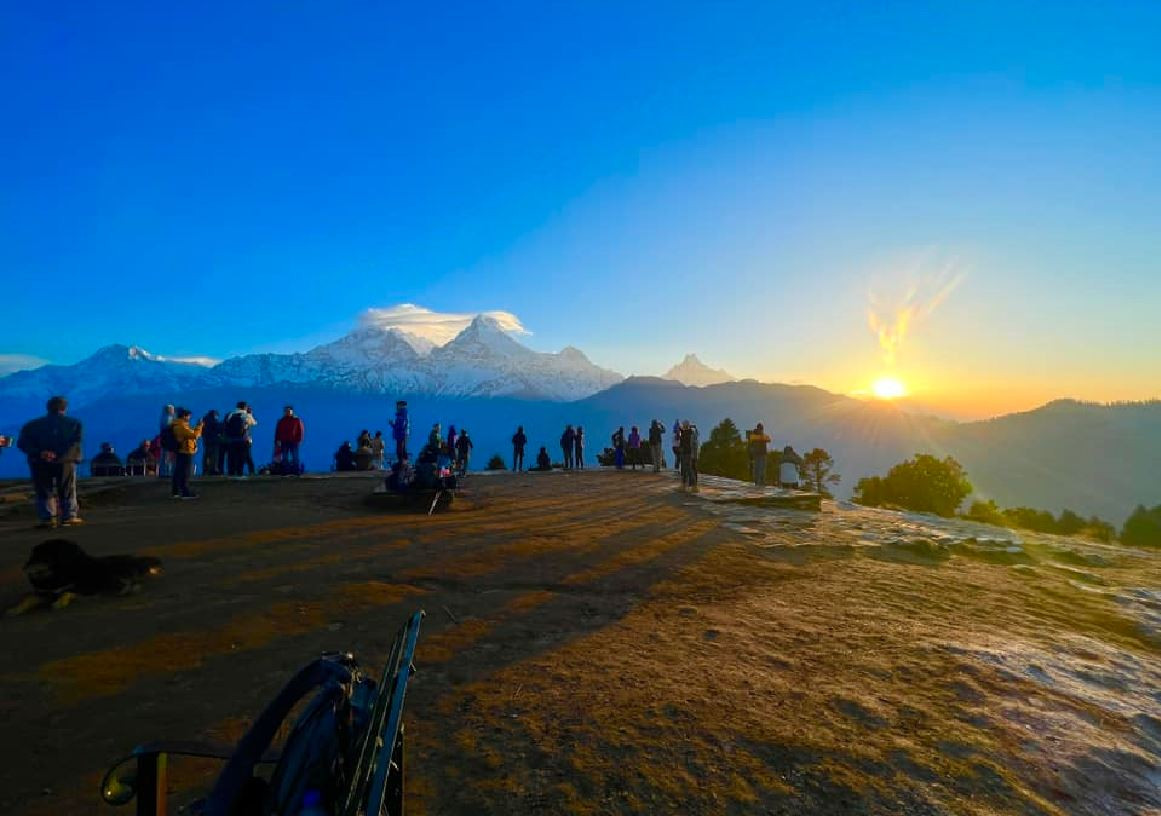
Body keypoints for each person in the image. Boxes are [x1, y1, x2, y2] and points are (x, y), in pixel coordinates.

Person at [17, 396, 84, 528]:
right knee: (67, 488)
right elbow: (75, 443)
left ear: (48, 408)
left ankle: (48, 518)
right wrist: (59, 455)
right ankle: (69, 516)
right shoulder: (74, 423)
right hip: (65, 461)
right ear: (64, 408)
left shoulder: (31, 425)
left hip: (39, 461)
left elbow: (23, 444)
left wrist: (41, 453)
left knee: (43, 489)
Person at [170, 407, 203, 499]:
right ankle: (185, 492)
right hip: (186, 450)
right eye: (188, 416)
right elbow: (194, 435)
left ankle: (176, 491)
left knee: (179, 471)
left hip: (183, 450)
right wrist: (199, 426)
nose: (189, 418)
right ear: (184, 416)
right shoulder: (181, 426)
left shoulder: (179, 425)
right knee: (185, 472)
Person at [223, 402, 254, 477]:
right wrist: (250, 414)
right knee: (241, 457)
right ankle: (239, 473)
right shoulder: (245, 415)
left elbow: (225, 425)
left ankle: (231, 472)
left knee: (231, 457)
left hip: (232, 440)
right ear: (245, 407)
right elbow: (253, 423)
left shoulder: (230, 414)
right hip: (243, 440)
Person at [275, 406, 305, 474]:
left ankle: (296, 471)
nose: (287, 412)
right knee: (284, 457)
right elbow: (278, 431)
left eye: (289, 411)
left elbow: (300, 430)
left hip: (294, 441)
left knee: (295, 456)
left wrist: (299, 440)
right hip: (284, 441)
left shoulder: (296, 420)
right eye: (286, 411)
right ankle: (286, 471)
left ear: (292, 411)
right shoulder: (282, 421)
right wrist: (277, 440)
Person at [747, 423, 772, 487]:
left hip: (763, 453)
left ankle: (761, 482)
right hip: (757, 454)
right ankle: (757, 482)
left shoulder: (762, 435)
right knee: (758, 468)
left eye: (762, 429)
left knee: (762, 468)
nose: (761, 430)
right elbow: (750, 441)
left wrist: (761, 436)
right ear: (757, 428)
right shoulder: (753, 435)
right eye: (760, 428)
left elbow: (769, 439)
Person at [678, 420, 700, 492]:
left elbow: (691, 444)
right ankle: (684, 485)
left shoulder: (688, 433)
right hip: (686, 453)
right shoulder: (686, 432)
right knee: (684, 470)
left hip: (687, 453)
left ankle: (694, 486)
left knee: (689, 469)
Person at [200, 410, 221, 476]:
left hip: (206, 441)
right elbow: (218, 429)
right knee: (214, 456)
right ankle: (213, 469)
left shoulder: (204, 421)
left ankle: (205, 469)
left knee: (206, 455)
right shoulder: (214, 421)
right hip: (214, 441)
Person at [159, 404, 176, 477]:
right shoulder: (168, 419)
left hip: (165, 442)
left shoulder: (163, 418)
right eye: (172, 409)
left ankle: (165, 472)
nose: (173, 411)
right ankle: (166, 473)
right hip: (168, 442)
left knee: (165, 458)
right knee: (167, 459)